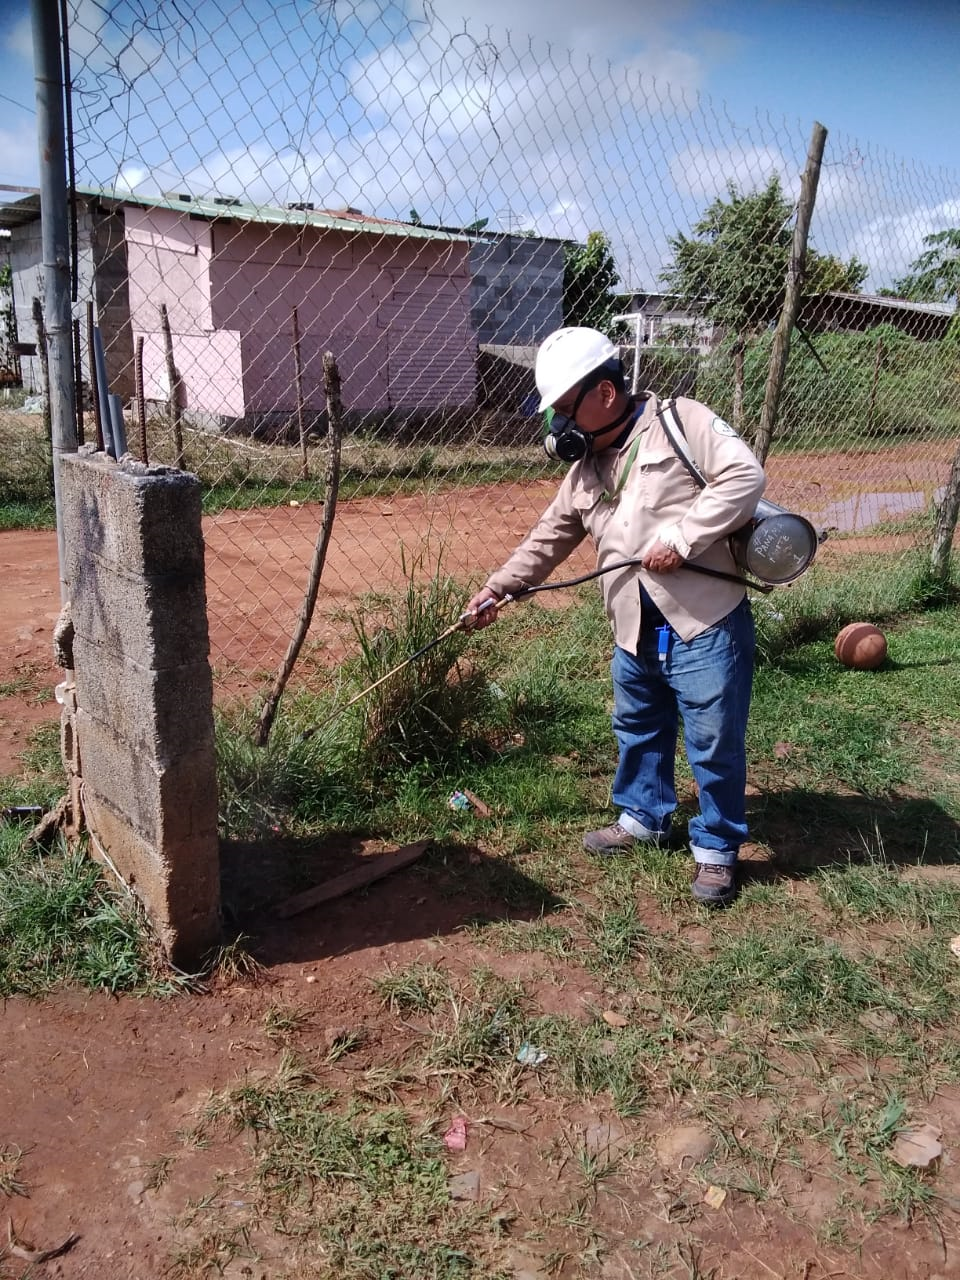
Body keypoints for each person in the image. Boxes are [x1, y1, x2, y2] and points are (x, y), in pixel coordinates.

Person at [465, 326, 766, 906]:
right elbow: (549, 536)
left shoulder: (681, 422)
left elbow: (745, 477)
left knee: (713, 739)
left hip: (703, 623)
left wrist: (682, 536)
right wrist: (497, 589)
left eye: (563, 409)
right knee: (639, 725)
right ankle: (644, 817)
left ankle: (717, 847)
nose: (557, 425)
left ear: (604, 393)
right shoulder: (584, 469)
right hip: (632, 625)